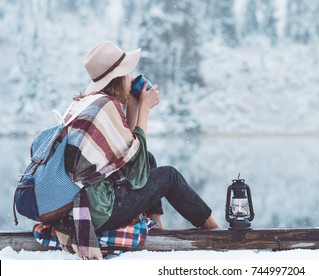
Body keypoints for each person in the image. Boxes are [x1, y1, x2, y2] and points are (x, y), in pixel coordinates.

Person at [64, 41, 220, 232]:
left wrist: (133, 106)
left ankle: (157, 227)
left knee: (147, 157)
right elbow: (135, 169)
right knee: (169, 176)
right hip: (99, 211)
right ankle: (216, 231)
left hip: (88, 204)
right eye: (127, 73)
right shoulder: (106, 107)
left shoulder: (92, 104)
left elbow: (127, 154)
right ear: (118, 78)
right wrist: (144, 109)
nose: (131, 77)